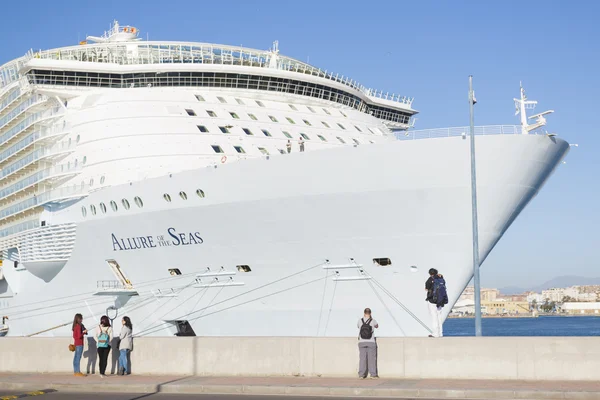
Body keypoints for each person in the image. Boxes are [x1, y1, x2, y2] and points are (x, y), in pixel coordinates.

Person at [357, 308, 379, 379]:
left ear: (364, 313)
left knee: (362, 359)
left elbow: (358, 327)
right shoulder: (373, 320)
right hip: (371, 342)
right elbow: (377, 326)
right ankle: (373, 375)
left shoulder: (360, 320)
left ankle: (361, 375)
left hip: (361, 342)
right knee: (372, 359)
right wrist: (371, 319)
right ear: (370, 313)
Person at [425, 268, 447, 337]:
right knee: (439, 317)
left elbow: (426, 288)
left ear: (430, 273)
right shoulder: (441, 279)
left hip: (432, 301)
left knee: (434, 317)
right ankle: (440, 333)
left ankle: (435, 333)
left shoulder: (430, 279)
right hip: (440, 301)